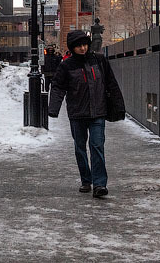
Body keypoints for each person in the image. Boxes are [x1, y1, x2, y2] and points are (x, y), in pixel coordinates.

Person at [48, 29, 125, 199]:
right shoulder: (66, 66)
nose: (82, 48)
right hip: (77, 114)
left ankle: (99, 184)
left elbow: (111, 83)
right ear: (72, 47)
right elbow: (58, 87)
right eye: (78, 46)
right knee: (80, 148)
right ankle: (86, 179)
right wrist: (53, 108)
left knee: (97, 146)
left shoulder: (99, 60)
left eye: (84, 44)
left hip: (98, 112)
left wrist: (118, 106)